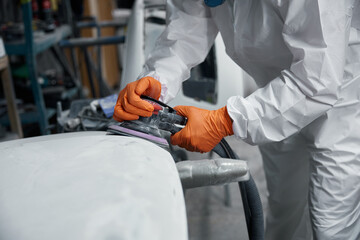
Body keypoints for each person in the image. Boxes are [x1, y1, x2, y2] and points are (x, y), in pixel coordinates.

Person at [114, 0, 360, 239]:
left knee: (331, 225)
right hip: (272, 98)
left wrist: (225, 120)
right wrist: (159, 78)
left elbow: (319, 79)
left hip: (341, 108)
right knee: (285, 209)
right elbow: (187, 26)